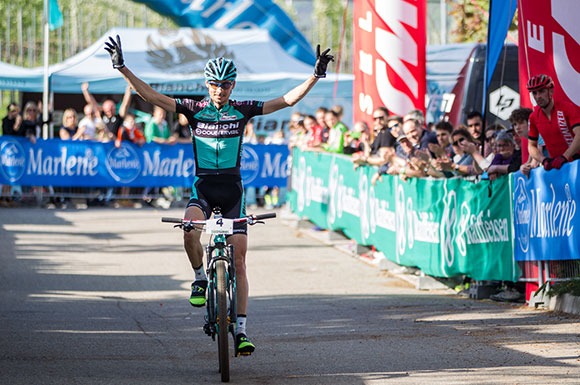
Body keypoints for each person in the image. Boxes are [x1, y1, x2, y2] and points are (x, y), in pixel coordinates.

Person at [105, 35, 333, 354]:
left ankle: (240, 331)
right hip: (204, 189)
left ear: (233, 86)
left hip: (232, 193)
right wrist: (123, 69)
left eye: (225, 85)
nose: (219, 90)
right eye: (214, 84)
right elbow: (153, 96)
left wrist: (315, 75)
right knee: (188, 229)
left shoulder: (242, 110)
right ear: (207, 84)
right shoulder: (194, 110)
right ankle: (199, 277)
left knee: (239, 261)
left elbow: (286, 101)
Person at [526, 74, 580, 170]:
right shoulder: (533, 117)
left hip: (577, 163)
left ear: (551, 91)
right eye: (534, 93)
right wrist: (543, 160)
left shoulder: (567, 108)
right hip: (558, 168)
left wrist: (565, 156)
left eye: (541, 91)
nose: (538, 96)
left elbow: (579, 134)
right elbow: (531, 145)